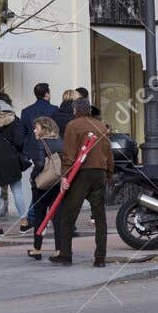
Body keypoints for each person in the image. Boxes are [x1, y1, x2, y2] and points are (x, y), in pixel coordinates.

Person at [50, 100, 112, 267]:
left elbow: (69, 153)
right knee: (100, 217)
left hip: (80, 173)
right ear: (89, 110)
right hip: (99, 172)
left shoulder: (73, 125)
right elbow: (109, 153)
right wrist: (109, 173)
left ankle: (65, 253)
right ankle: (100, 258)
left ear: (75, 110)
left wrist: (65, 175)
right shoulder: (102, 126)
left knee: (68, 215)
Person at [0, 96, 31, 237]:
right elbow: (19, 140)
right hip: (11, 160)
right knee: (17, 191)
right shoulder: (14, 120)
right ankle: (23, 223)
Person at [25, 116, 63, 260]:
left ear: (44, 129)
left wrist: (33, 177)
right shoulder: (60, 141)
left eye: (37, 128)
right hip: (58, 182)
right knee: (57, 217)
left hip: (42, 185)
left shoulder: (40, 143)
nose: (34, 130)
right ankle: (59, 249)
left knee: (39, 216)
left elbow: (40, 164)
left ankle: (37, 248)